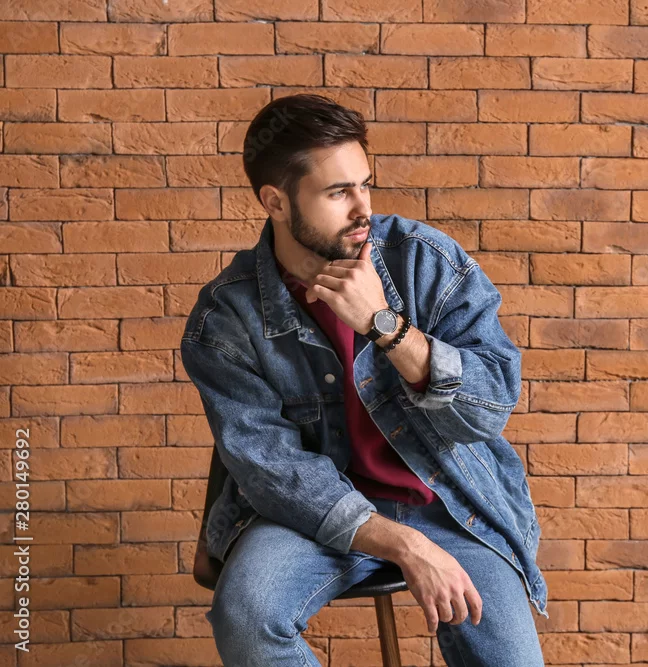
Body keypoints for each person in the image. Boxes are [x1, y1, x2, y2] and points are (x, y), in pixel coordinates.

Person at [179, 93, 547, 666]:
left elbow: (491, 405)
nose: (362, 209)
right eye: (338, 192)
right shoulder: (226, 319)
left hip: (450, 501)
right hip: (314, 514)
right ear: (275, 202)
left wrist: (387, 327)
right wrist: (404, 545)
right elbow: (272, 468)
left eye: (365, 185)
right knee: (246, 616)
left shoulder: (425, 262)